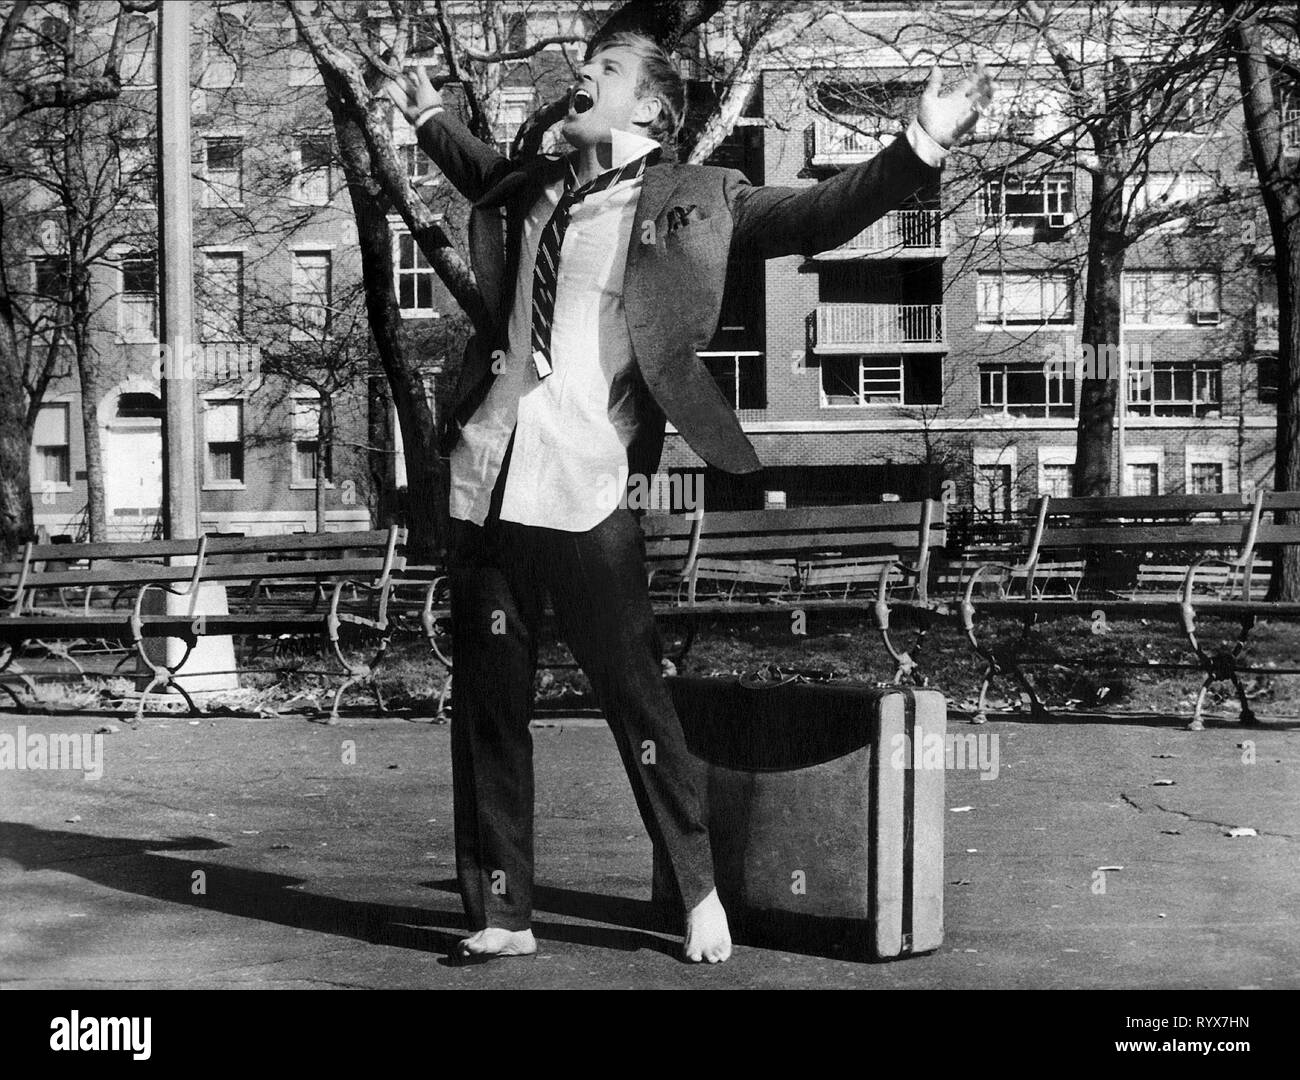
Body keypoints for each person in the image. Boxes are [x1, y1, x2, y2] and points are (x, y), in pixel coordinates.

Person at [387, 32, 992, 964]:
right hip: (489, 471)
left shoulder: (697, 199)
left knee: (638, 704)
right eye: (584, 66)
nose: (583, 77)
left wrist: (918, 145)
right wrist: (429, 113)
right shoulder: (537, 180)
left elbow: (815, 217)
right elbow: (477, 169)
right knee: (487, 709)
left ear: (653, 111)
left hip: (583, 483)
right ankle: (502, 911)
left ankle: (700, 887)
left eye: (609, 71)